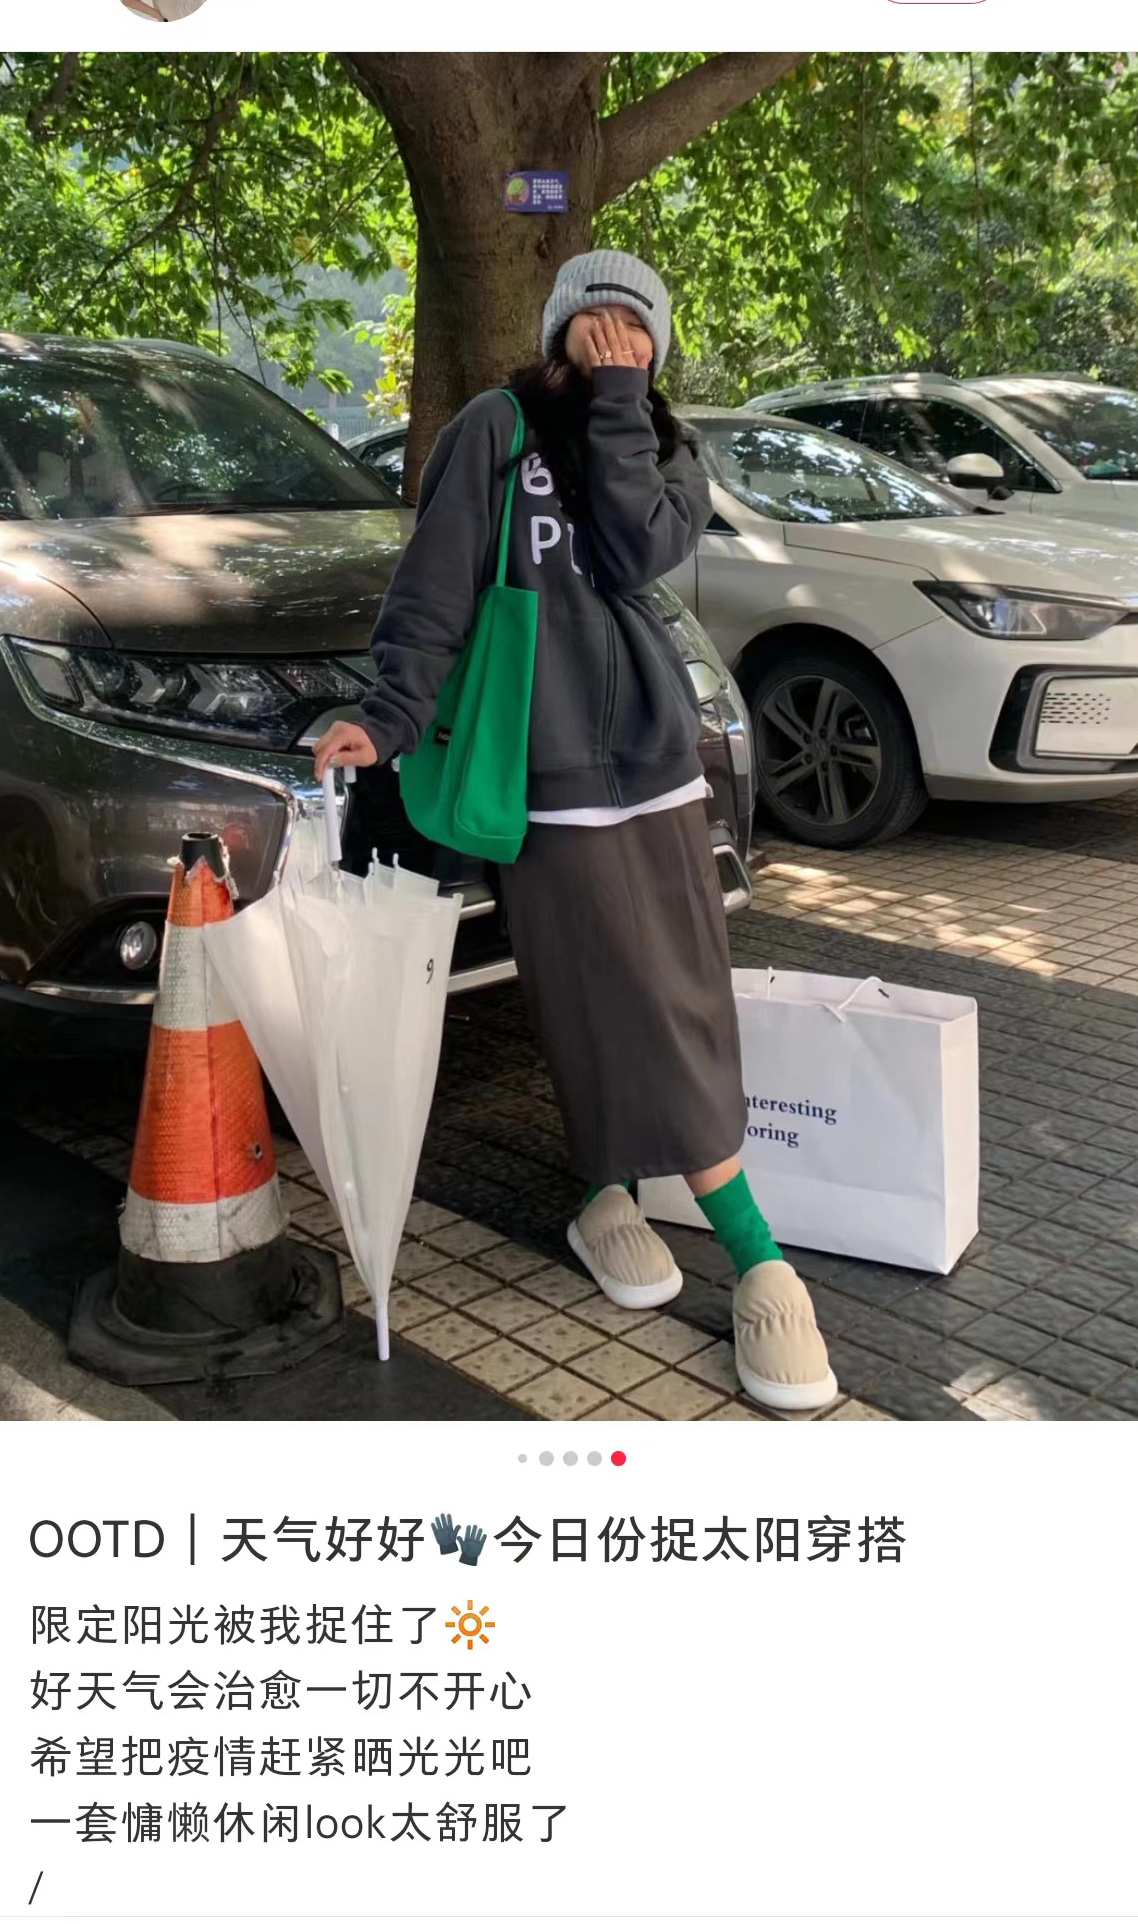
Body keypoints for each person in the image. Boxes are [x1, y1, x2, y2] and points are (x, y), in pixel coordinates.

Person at [313, 251, 836, 1413]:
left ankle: (659, 1212)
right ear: (555, 331)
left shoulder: (667, 446)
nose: (612, 339)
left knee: (682, 998)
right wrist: (388, 718)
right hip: (542, 772)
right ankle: (697, 1228)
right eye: (592, 322)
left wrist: (618, 408)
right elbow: (435, 588)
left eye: (634, 327)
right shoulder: (492, 431)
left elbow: (638, 552)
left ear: (657, 346)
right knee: (593, 997)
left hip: (657, 764)